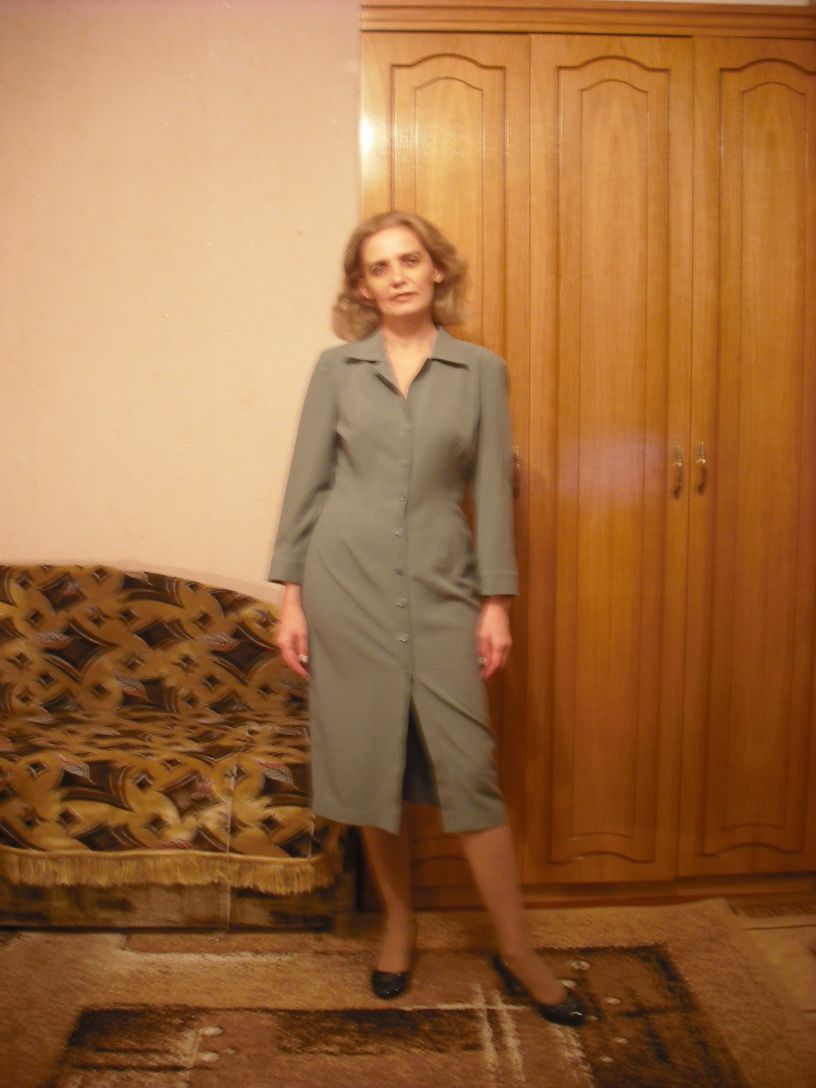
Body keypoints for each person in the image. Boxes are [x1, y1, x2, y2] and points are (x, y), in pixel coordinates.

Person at [268, 211, 584, 1026]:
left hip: (444, 586)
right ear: (362, 287)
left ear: (437, 270)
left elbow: (493, 492)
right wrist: (292, 600)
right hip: (346, 587)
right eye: (379, 267)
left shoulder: (481, 371)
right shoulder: (336, 370)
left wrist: (496, 604)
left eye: (410, 260)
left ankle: (517, 949)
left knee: (468, 769)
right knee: (372, 764)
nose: (398, 276)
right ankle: (398, 929)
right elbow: (306, 487)